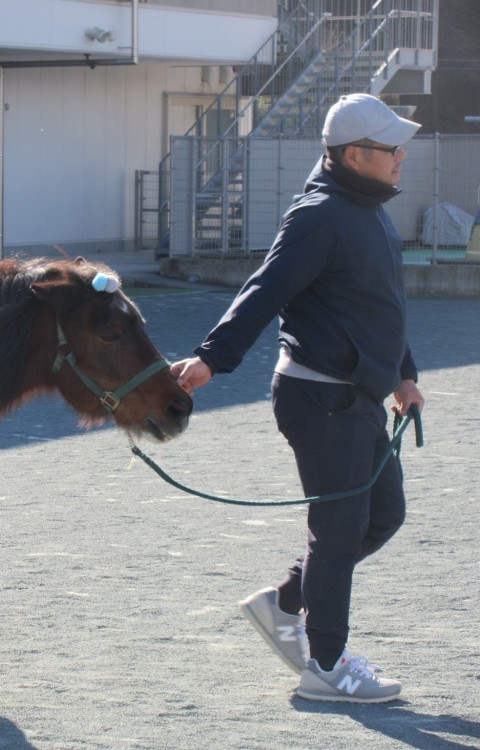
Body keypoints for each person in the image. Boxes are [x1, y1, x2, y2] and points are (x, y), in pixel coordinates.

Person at [171, 93, 425, 704]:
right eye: (392, 148)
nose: (402, 157)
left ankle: (285, 602)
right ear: (354, 155)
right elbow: (266, 289)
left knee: (383, 517)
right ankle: (327, 668)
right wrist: (212, 359)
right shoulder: (319, 214)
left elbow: (381, 305)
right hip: (320, 399)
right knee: (338, 533)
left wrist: (404, 375)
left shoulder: (369, 209)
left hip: (359, 397)